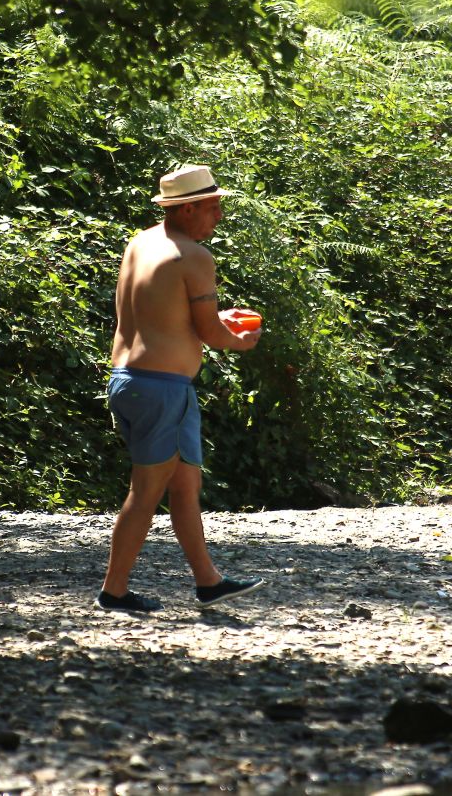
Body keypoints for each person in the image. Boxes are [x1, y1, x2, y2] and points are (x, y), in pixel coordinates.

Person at [97, 164, 266, 613]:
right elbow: (211, 334)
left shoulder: (141, 242)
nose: (219, 216)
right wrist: (241, 339)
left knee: (185, 486)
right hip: (161, 388)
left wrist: (214, 323)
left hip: (130, 380)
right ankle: (113, 592)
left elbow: (161, 317)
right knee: (146, 492)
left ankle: (208, 582)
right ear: (187, 208)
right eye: (212, 208)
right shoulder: (194, 256)